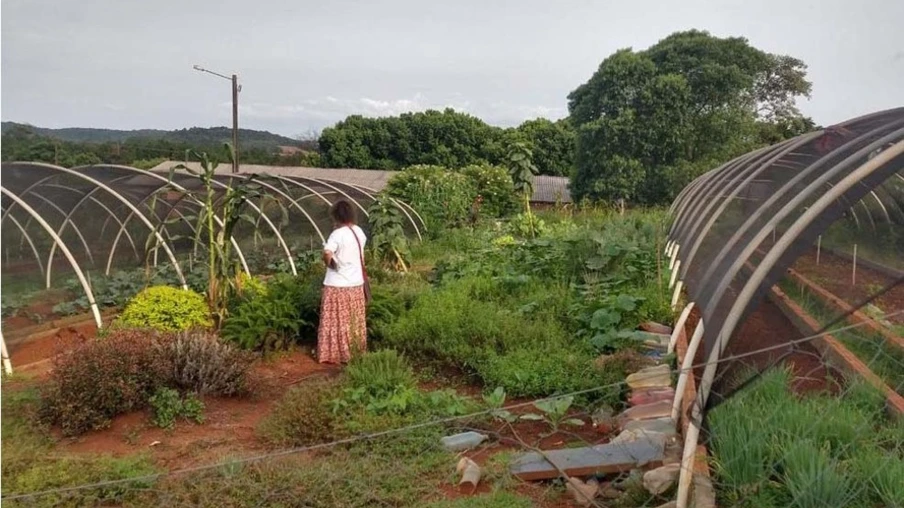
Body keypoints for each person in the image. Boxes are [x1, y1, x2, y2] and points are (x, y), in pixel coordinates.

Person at [317, 200, 367, 364]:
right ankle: (354, 351)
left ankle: (335, 353)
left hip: (337, 284)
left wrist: (329, 262)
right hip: (356, 283)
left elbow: (327, 252)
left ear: (336, 216)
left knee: (335, 321)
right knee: (353, 320)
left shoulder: (337, 234)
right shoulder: (359, 231)